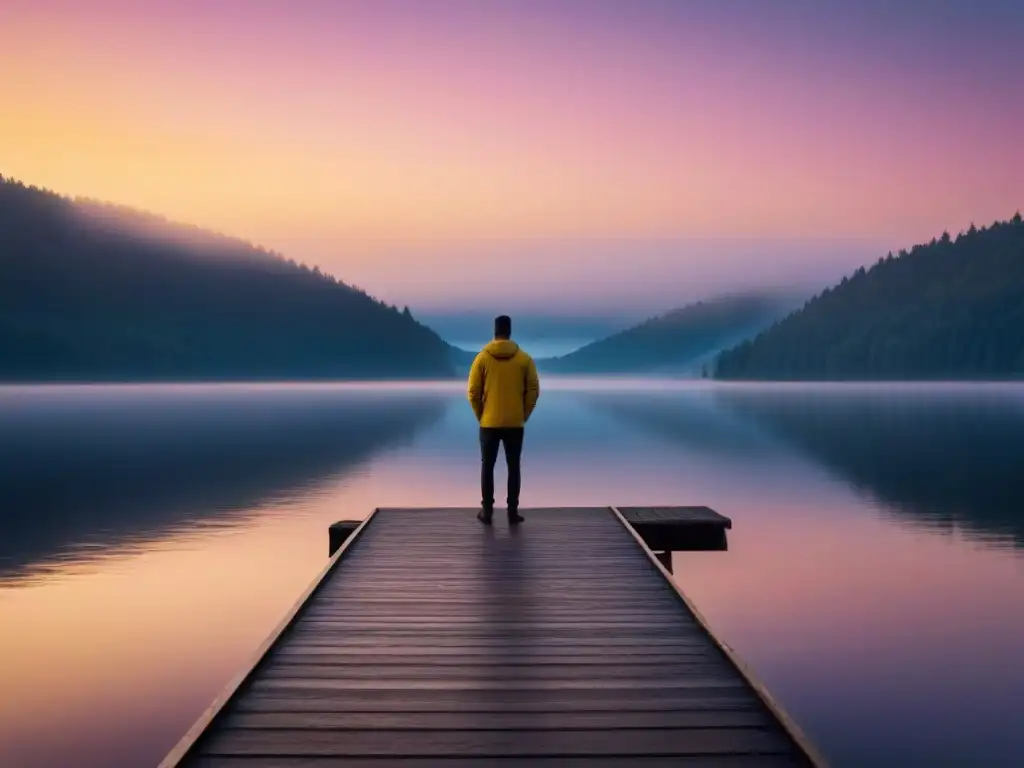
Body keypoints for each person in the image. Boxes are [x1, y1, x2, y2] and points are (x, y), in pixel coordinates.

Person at [467, 315, 540, 525]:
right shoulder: (524, 359)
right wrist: (523, 414)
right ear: (509, 332)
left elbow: (472, 392)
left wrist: (481, 415)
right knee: (513, 466)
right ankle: (512, 512)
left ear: (494, 332)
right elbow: (534, 390)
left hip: (488, 423)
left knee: (487, 466)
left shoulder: (482, 358)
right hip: (515, 423)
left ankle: (487, 511)